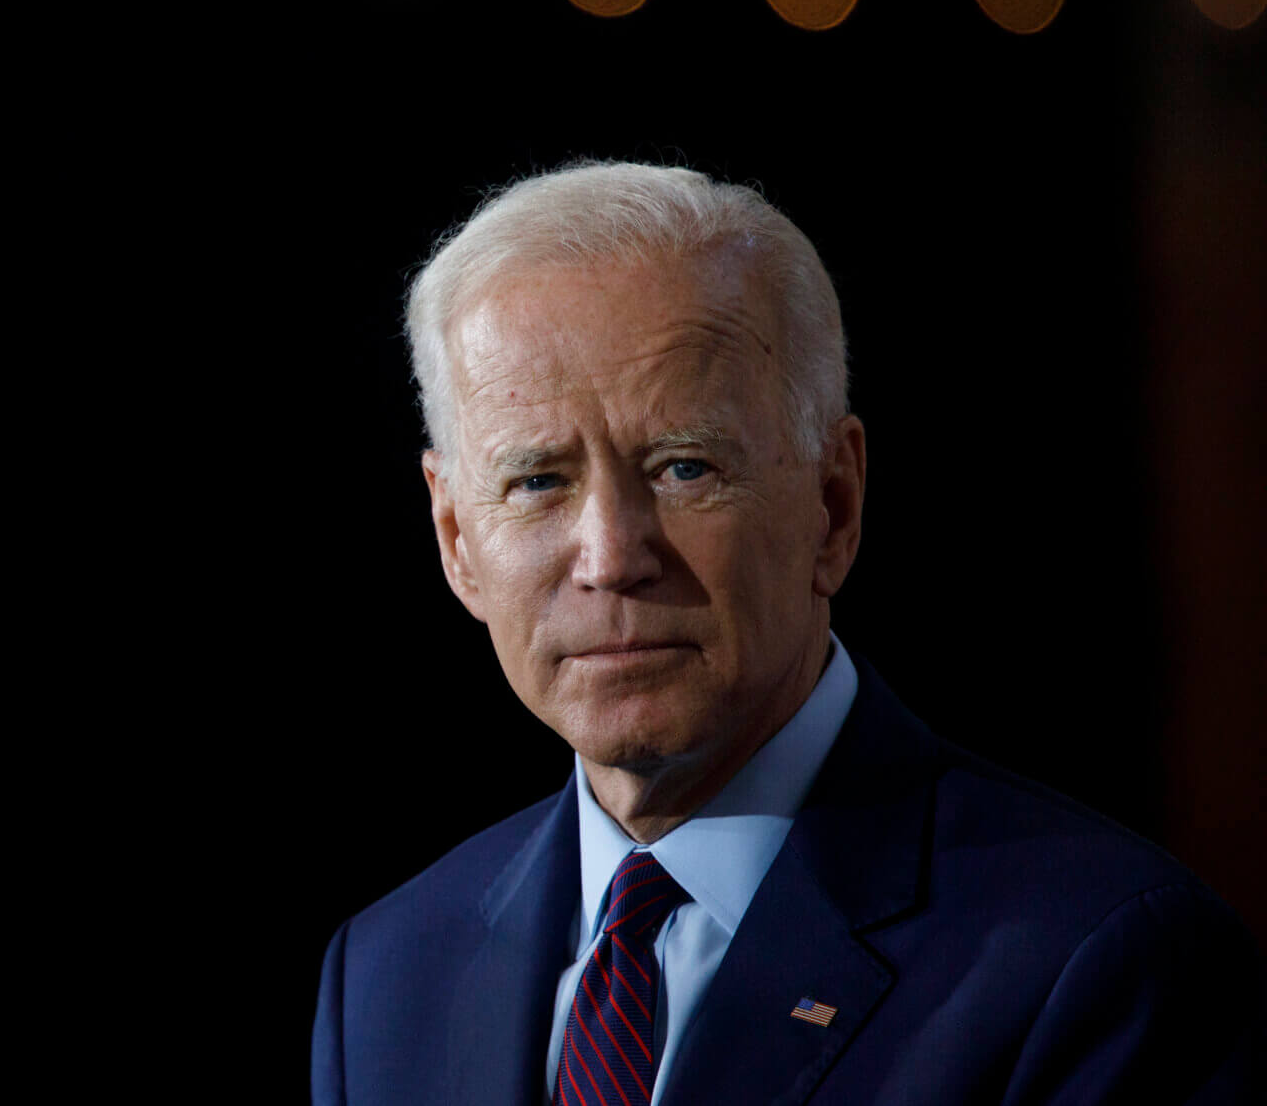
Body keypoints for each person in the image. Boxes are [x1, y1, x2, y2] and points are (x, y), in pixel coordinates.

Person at [311, 162, 1263, 1106]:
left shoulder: (1097, 965)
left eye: (683, 467)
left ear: (833, 505)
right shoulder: (386, 978)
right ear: (456, 541)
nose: (609, 555)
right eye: (537, 481)